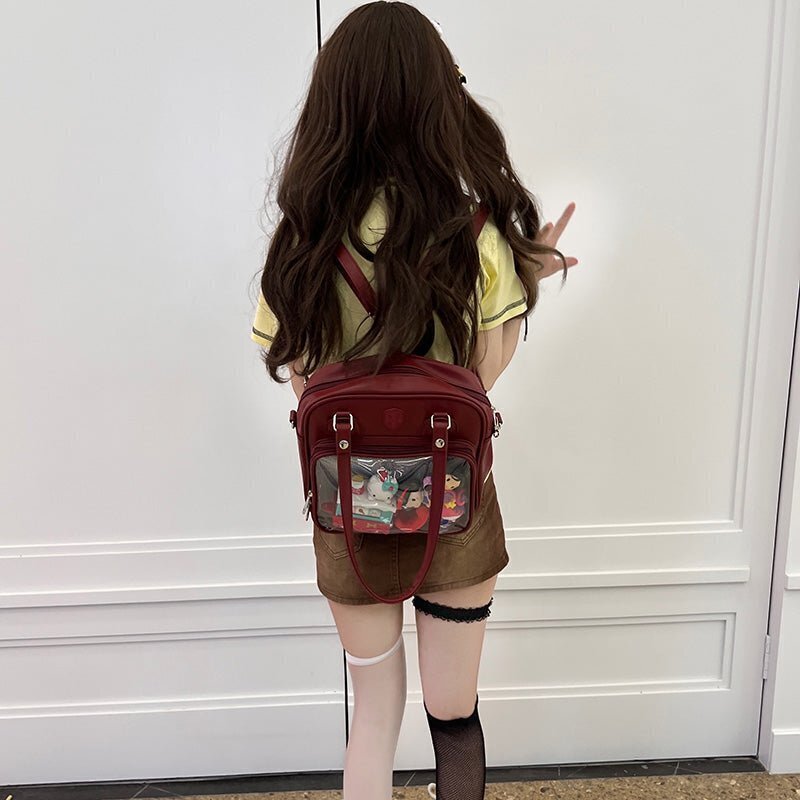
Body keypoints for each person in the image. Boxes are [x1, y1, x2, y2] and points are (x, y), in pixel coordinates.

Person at [249, 3, 578, 799]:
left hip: (347, 506)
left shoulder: (304, 239)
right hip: (455, 506)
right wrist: (524, 277)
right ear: (437, 97)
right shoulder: (476, 232)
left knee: (374, 714)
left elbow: (303, 382)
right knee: (452, 713)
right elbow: (481, 378)